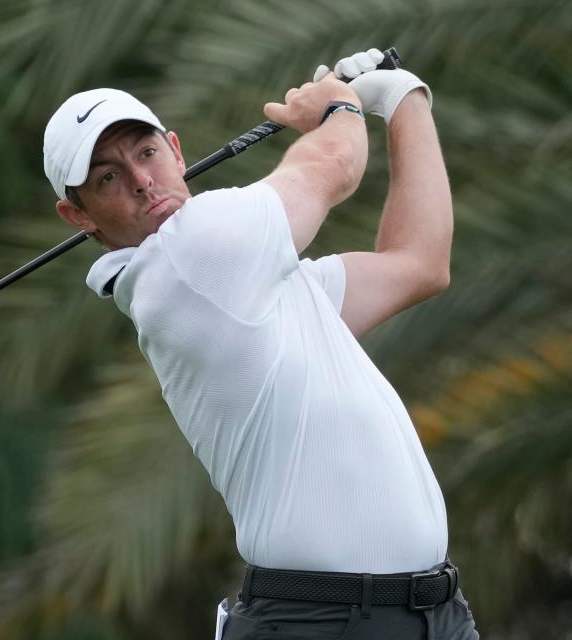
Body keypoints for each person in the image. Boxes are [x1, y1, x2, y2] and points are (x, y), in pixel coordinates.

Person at [42, 49, 478, 639]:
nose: (142, 183)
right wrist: (338, 106)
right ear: (79, 215)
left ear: (175, 151)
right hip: (323, 622)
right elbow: (334, 165)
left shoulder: (256, 290)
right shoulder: (187, 260)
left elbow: (419, 263)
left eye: (145, 153)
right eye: (108, 178)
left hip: (432, 614)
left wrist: (404, 99)